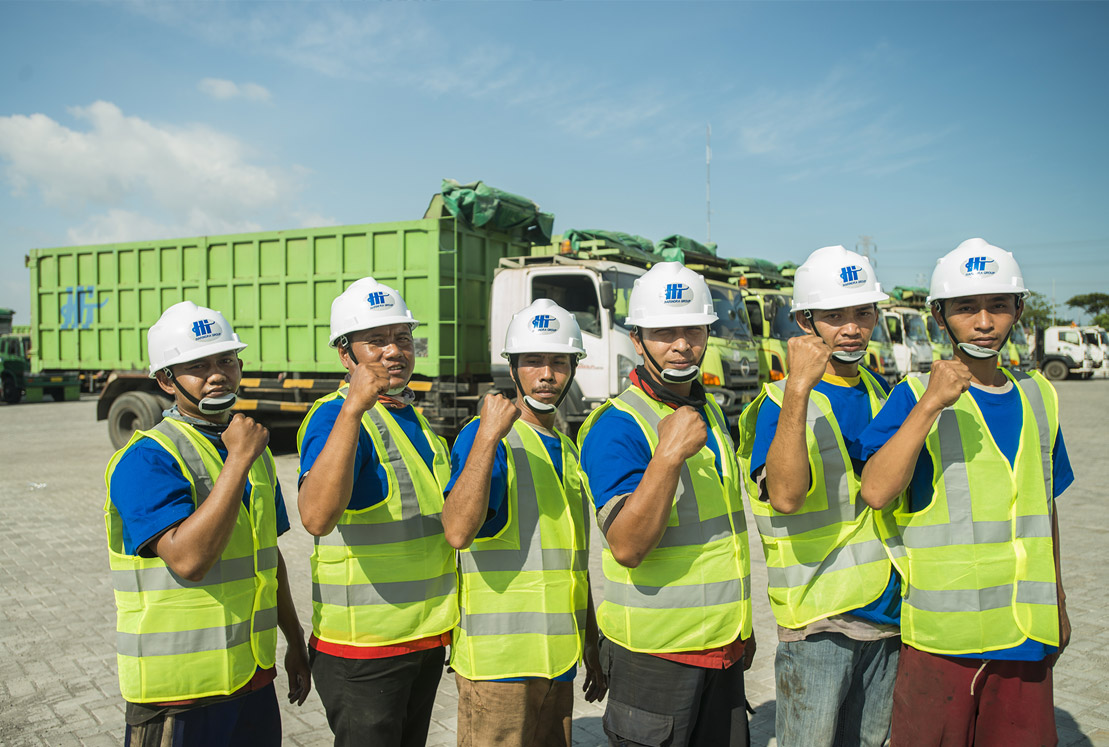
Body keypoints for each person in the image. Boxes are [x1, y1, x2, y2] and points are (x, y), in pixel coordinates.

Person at [856, 239, 1074, 745]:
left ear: (1018, 310)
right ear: (940, 317)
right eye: (966, 308)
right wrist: (930, 404)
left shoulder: (1039, 396)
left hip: (1026, 635)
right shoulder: (913, 396)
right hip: (943, 643)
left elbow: (1046, 509)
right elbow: (876, 491)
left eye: (998, 305)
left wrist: (1059, 599)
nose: (984, 322)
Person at [104, 301, 311, 747]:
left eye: (226, 360)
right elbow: (189, 560)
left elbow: (267, 557)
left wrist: (294, 640)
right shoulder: (146, 457)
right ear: (166, 380)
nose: (217, 374)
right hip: (179, 694)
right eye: (198, 365)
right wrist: (237, 460)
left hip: (251, 679)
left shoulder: (251, 450)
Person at [578, 261, 754, 747]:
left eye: (693, 330)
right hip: (656, 657)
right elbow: (627, 546)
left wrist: (742, 629)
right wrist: (668, 455)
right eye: (663, 332)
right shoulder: (617, 424)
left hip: (722, 647)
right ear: (637, 340)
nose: (681, 344)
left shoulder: (707, 410)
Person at [737, 246, 900, 746]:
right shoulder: (779, 402)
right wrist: (798, 388)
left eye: (863, 313)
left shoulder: (882, 391)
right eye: (834, 316)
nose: (851, 328)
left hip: (889, 614)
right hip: (819, 621)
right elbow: (785, 497)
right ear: (805, 322)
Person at [296, 277, 456, 747]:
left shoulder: (412, 417)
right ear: (345, 354)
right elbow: (316, 518)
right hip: (363, 649)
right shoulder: (334, 416)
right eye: (376, 341)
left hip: (424, 637)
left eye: (402, 338)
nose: (394, 351)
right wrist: (353, 409)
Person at [442, 298, 607, 747]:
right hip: (499, 668)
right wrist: (488, 435)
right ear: (513, 368)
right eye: (533, 361)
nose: (547, 374)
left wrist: (590, 641)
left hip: (558, 662)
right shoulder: (487, 438)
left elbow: (571, 564)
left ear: (574, 367)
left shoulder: (566, 449)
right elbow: (457, 531)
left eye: (559, 362)